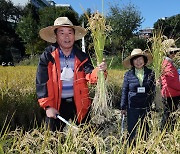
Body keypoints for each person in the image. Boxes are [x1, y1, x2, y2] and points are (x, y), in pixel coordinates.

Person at [36, 17, 107, 131]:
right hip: (56, 104)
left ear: (74, 36)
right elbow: (41, 82)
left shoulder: (82, 57)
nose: (66, 36)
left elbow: (91, 78)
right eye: (62, 33)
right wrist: (48, 106)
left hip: (79, 103)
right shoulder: (48, 56)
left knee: (87, 139)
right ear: (56, 36)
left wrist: (100, 71)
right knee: (53, 141)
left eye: (70, 32)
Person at [120, 49, 155, 145]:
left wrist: (152, 102)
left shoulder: (151, 73)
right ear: (132, 62)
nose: (138, 62)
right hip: (132, 106)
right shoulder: (128, 74)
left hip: (146, 106)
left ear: (144, 60)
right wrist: (123, 107)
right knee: (132, 129)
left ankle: (145, 147)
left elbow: (153, 89)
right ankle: (132, 147)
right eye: (135, 60)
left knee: (145, 129)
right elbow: (125, 90)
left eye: (140, 59)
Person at [160, 39, 180, 131]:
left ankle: (165, 132)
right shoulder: (167, 64)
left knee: (168, 114)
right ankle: (165, 132)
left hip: (170, 93)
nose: (175, 54)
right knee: (169, 115)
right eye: (174, 52)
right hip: (171, 94)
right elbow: (171, 82)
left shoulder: (167, 63)